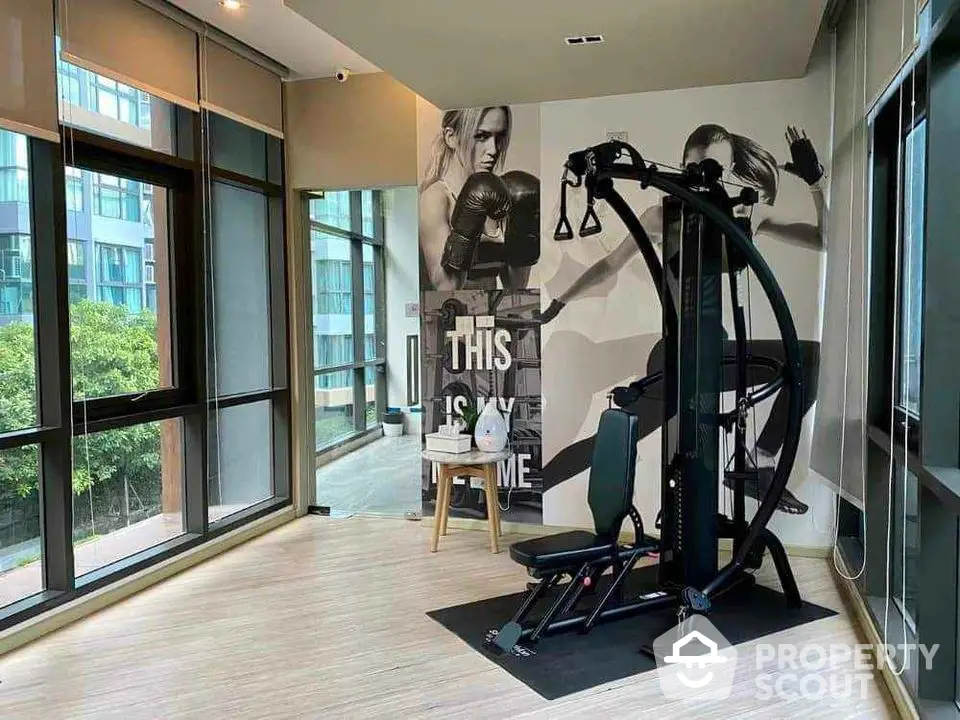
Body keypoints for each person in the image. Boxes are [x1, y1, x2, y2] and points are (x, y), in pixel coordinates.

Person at [540, 124, 826, 515]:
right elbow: (610, 265)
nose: (708, 179)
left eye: (717, 170)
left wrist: (816, 183)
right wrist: (558, 301)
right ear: (682, 166)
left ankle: (757, 459)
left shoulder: (743, 215)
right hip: (675, 356)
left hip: (715, 349)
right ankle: (534, 488)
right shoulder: (662, 215)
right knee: (607, 443)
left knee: (811, 360)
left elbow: (824, 239)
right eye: (699, 168)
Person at [419, 107, 540, 291]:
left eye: (499, 137)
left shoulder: (501, 195)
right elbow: (447, 287)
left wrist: (523, 226)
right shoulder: (436, 198)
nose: (493, 149)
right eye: (481, 136)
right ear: (451, 137)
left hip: (493, 316)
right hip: (451, 316)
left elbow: (516, 286)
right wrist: (469, 218)